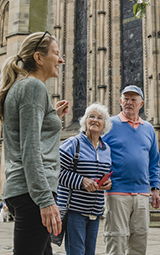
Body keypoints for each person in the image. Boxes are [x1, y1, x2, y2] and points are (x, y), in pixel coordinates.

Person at [0, 31, 70, 255]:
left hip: (26, 191)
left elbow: (28, 135)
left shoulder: (23, 87)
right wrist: (45, 199)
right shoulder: (33, 87)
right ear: (38, 58)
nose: (61, 59)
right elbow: (30, 148)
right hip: (33, 192)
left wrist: (51, 117)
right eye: (56, 53)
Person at [102, 85, 160, 255]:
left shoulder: (148, 128)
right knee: (116, 239)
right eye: (126, 99)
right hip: (117, 192)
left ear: (141, 103)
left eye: (133, 99)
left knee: (139, 241)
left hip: (142, 194)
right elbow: (97, 151)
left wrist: (155, 188)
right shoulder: (110, 124)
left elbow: (154, 161)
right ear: (120, 101)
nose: (129, 102)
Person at [57, 102, 113, 255]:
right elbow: (55, 172)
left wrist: (107, 183)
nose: (95, 120)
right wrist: (81, 180)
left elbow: (105, 173)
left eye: (100, 118)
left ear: (104, 125)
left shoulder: (106, 149)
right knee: (76, 252)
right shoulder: (72, 144)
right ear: (85, 121)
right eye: (91, 116)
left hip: (94, 211)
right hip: (74, 210)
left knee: (89, 252)